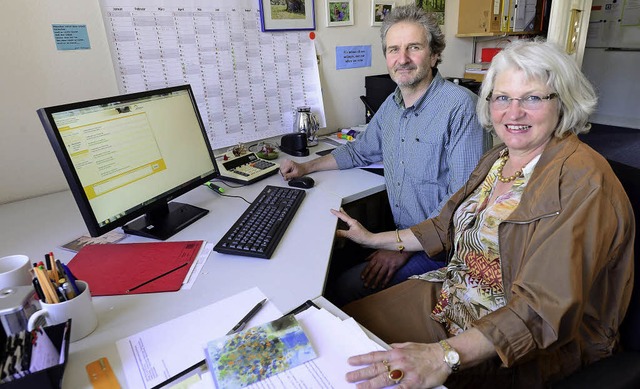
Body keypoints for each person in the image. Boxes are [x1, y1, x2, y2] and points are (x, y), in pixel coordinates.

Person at [331, 39, 635, 388]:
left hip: (512, 341)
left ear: (563, 102)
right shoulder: (499, 158)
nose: (513, 112)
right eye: (502, 97)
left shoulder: (583, 181)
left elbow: (542, 310)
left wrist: (441, 356)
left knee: (362, 370)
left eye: (533, 98)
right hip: (452, 296)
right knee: (342, 337)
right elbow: (444, 226)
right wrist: (371, 239)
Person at [280, 5, 489, 306]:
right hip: (402, 236)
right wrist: (306, 167)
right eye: (394, 49)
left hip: (442, 250)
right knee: (327, 261)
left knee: (339, 289)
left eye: (413, 48)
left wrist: (400, 248)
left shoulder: (460, 108)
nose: (402, 59)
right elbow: (359, 151)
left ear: (433, 55)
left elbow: (460, 209)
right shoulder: (392, 106)